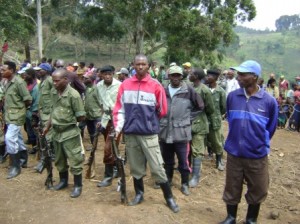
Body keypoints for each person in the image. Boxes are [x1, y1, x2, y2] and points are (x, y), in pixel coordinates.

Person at [113, 54, 179, 213]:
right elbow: (119, 109)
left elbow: (162, 110)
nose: (140, 67)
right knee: (136, 167)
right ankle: (139, 193)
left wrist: (148, 122)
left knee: (157, 167)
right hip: (131, 134)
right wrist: (118, 129)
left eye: (143, 64)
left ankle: (169, 197)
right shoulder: (125, 85)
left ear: (148, 66)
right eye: (137, 64)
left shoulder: (156, 86)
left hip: (149, 134)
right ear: (133, 66)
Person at [220, 60, 278, 224]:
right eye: (238, 74)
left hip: (256, 155)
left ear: (254, 77)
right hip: (234, 153)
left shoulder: (268, 101)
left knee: (257, 188)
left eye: (243, 74)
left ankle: (251, 219)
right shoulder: (232, 97)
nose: (238, 77)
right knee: (232, 186)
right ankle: (231, 217)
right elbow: (232, 120)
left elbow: (271, 128)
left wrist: (257, 142)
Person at [159, 65, 204, 196]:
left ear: (181, 76)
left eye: (178, 75)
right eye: (173, 75)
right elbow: (157, 106)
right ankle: (168, 179)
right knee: (167, 160)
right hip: (165, 131)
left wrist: (188, 118)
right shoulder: (163, 90)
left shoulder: (188, 90)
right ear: (169, 76)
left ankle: (184, 183)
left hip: (182, 132)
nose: (175, 78)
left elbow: (200, 106)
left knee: (184, 161)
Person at [43, 68, 86, 198]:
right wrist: (47, 126)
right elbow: (53, 111)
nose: (54, 83)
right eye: (53, 81)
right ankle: (63, 181)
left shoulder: (74, 95)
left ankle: (78, 185)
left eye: (57, 81)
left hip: (70, 133)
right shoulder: (53, 93)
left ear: (65, 80)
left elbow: (81, 116)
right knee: (59, 159)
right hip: (56, 133)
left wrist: (68, 121)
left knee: (75, 159)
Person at [2, 61, 32, 179]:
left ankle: (15, 166)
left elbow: (28, 100)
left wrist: (20, 111)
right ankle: (23, 159)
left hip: (17, 115)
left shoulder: (19, 82)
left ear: (12, 70)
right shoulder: (6, 82)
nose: (2, 71)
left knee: (9, 138)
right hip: (9, 115)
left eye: (4, 69)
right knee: (17, 138)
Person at [188, 68, 215, 187]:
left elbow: (210, 109)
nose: (190, 75)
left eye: (192, 74)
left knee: (197, 150)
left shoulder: (205, 90)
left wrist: (201, 115)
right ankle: (188, 169)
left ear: (197, 76)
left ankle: (195, 176)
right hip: (188, 123)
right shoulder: (189, 87)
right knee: (188, 148)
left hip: (199, 124)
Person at [96, 65, 121, 187]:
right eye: (105, 74)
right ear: (101, 75)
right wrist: (101, 119)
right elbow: (101, 103)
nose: (107, 76)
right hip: (105, 119)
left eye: (109, 74)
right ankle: (116, 168)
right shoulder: (99, 86)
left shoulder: (119, 85)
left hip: (116, 119)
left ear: (113, 74)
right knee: (112, 146)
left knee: (108, 148)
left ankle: (108, 176)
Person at [206, 69, 226, 171]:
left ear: (216, 78)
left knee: (217, 140)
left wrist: (217, 115)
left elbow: (223, 107)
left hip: (215, 120)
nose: (207, 77)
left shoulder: (220, 92)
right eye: (207, 76)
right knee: (207, 139)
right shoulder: (205, 89)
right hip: (205, 119)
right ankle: (209, 153)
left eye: (210, 76)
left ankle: (219, 161)